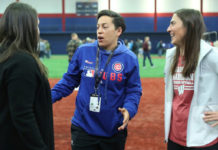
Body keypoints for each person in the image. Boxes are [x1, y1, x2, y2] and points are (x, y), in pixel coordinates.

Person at [52, 9, 142, 150]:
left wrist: (129, 109)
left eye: (105, 27)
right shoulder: (83, 51)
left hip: (114, 130)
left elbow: (134, 90)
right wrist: (48, 97)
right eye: (98, 27)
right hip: (83, 128)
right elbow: (68, 81)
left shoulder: (129, 58)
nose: (99, 31)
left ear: (118, 31)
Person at [0, 2, 54, 150]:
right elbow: (23, 115)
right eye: (36, 26)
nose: (38, 31)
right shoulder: (22, 62)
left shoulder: (5, 56)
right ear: (27, 28)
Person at [164, 8, 218, 150]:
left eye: (173, 23)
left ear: (190, 26)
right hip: (174, 137)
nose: (168, 29)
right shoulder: (171, 57)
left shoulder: (211, 55)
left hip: (203, 139)